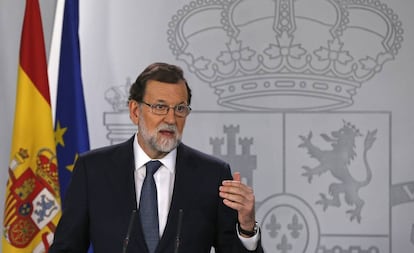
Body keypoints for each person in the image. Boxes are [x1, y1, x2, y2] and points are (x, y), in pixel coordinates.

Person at [49, 62, 264, 253]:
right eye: (160, 107)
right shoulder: (93, 170)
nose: (170, 118)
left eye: (180, 109)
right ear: (135, 111)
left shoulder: (212, 175)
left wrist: (246, 228)